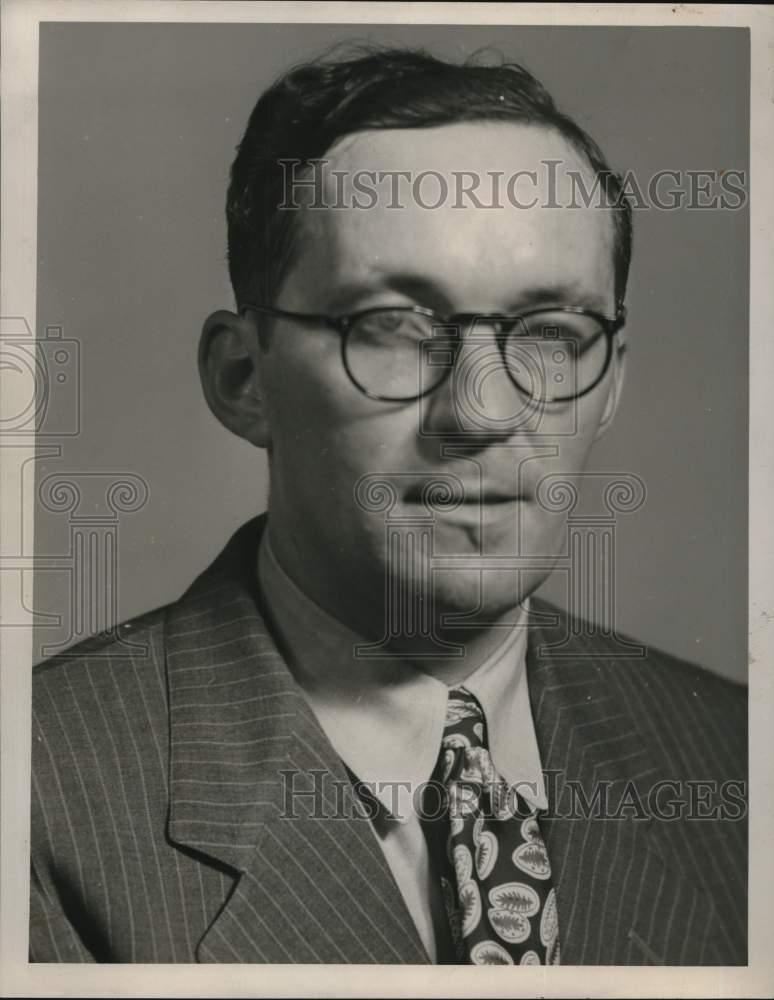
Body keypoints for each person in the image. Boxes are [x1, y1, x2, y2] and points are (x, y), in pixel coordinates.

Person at [30, 46, 746, 965]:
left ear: (608, 387)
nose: (484, 413)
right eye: (395, 330)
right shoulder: (40, 801)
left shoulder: (733, 757)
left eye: (552, 335)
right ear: (243, 378)